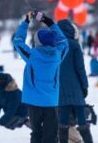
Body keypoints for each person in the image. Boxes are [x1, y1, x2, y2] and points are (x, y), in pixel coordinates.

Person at [13, 11, 68, 143]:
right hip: (51, 102)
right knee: (51, 135)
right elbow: (63, 42)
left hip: (34, 102)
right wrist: (48, 21)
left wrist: (27, 21)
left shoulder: (32, 55)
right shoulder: (58, 55)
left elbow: (18, 41)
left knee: (36, 134)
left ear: (37, 42)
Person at [57, 19, 93, 143]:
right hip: (75, 88)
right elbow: (80, 68)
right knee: (82, 120)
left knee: (63, 121)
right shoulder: (74, 45)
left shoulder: (54, 46)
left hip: (60, 88)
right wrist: (85, 86)